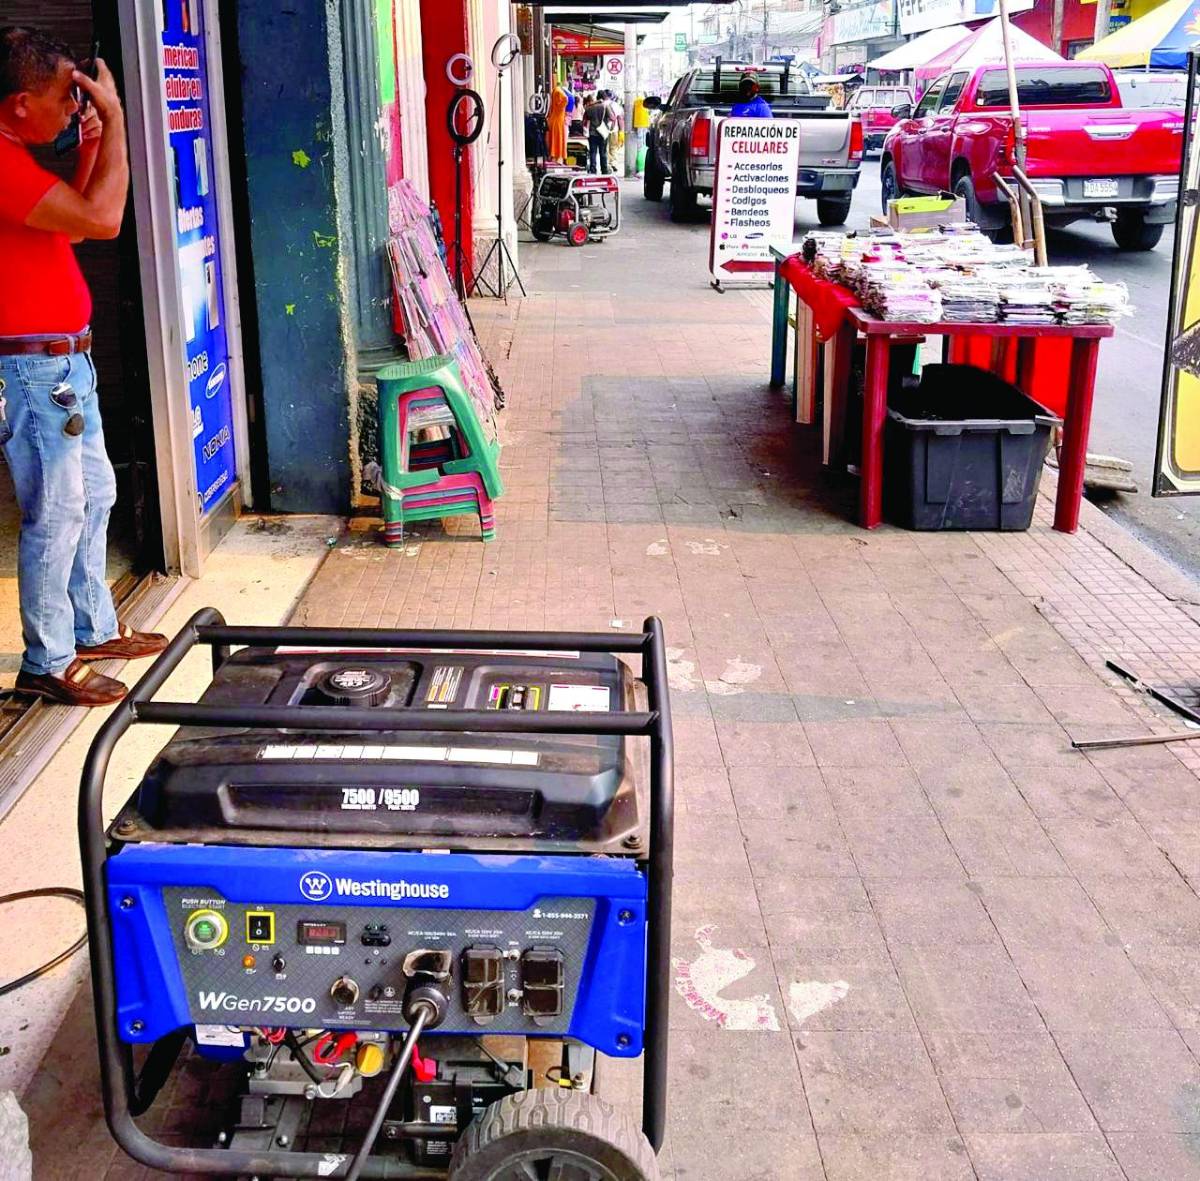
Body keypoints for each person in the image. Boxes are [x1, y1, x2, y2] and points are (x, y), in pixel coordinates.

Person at [0, 27, 166, 707]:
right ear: (16, 105)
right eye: (63, 97)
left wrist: (95, 140)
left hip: (65, 365)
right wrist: (121, 118)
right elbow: (103, 219)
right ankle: (49, 657)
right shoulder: (3, 166)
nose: (74, 107)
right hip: (34, 374)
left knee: (93, 497)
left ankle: (90, 626)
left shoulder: (19, 162)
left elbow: (69, 223)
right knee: (57, 513)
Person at [584, 91, 613, 175]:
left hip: (592, 133)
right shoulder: (605, 106)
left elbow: (585, 116)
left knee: (593, 152)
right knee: (603, 152)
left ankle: (593, 169)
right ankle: (604, 169)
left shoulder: (590, 107)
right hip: (603, 133)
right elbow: (612, 117)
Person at [547, 83, 568, 163]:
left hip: (556, 119)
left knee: (556, 139)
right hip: (557, 121)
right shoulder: (559, 93)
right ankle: (556, 157)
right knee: (557, 139)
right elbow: (564, 100)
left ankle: (555, 156)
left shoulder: (556, 92)